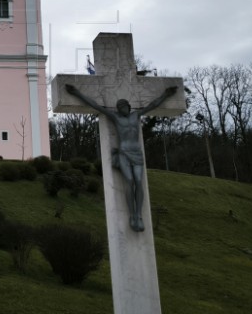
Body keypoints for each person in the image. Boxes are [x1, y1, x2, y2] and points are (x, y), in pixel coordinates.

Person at [66, 84, 177, 232]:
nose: (121, 109)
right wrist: (77, 93)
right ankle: (132, 215)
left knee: (139, 181)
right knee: (129, 181)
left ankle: (139, 215)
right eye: (119, 107)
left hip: (137, 153)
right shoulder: (115, 117)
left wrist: (166, 95)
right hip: (124, 153)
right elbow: (96, 105)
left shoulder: (136, 115)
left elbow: (152, 105)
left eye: (123, 106)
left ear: (128, 107)